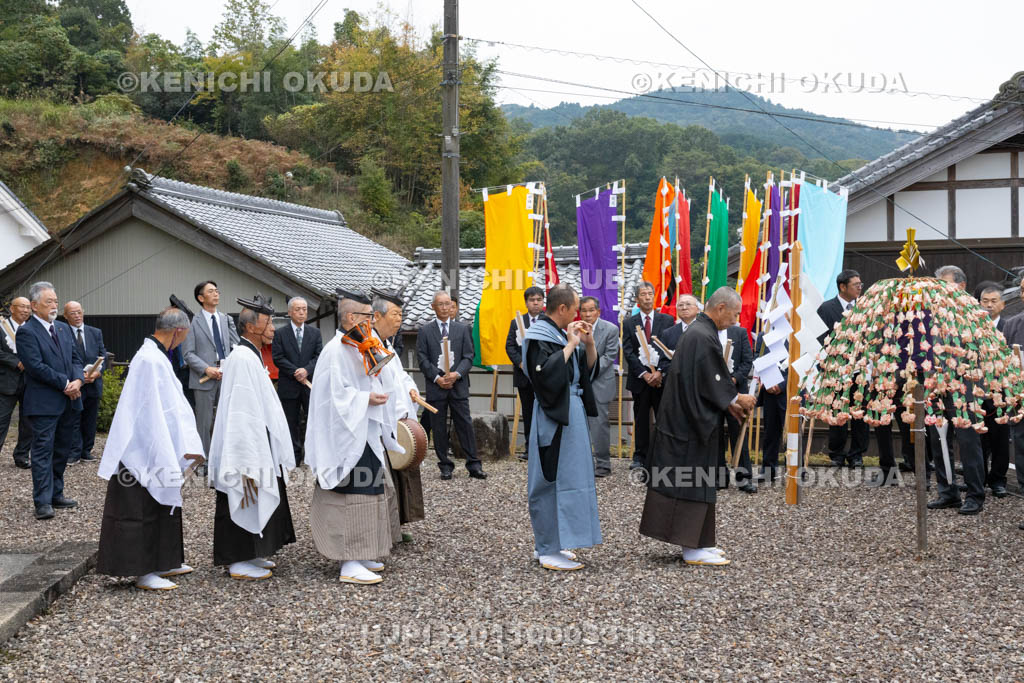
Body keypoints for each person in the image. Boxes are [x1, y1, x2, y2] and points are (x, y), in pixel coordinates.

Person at [639, 287, 756, 566]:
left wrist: (728, 400)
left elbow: (709, 379)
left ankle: (702, 541)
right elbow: (712, 380)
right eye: (735, 313)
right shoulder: (702, 336)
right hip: (687, 424)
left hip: (690, 418)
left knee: (701, 480)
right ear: (720, 309)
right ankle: (691, 548)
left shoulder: (700, 333)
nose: (737, 319)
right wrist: (735, 397)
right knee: (690, 481)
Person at [96, 307, 205, 591]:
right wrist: (165, 446)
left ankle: (164, 561)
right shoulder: (149, 359)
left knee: (163, 504)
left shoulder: (155, 356)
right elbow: (150, 412)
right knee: (140, 508)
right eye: (185, 335)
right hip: (141, 448)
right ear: (178, 331)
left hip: (156, 443)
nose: (184, 341)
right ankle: (142, 571)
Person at [305, 289, 403, 585]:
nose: (372, 321)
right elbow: (334, 398)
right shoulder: (335, 350)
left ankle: (362, 552)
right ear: (350, 317)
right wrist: (365, 399)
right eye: (367, 316)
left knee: (370, 490)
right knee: (351, 495)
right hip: (344, 433)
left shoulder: (360, 345)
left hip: (364, 429)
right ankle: (348, 561)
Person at [207, 293, 296, 580]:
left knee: (258, 494)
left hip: (258, 439)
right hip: (244, 443)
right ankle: (237, 559)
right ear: (250, 327)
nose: (272, 328)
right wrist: (245, 454)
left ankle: (254, 551)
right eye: (268, 323)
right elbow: (241, 412)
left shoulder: (250, 355)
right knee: (244, 491)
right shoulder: (243, 358)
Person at [523, 284, 602, 570]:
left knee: (570, 478)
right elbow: (543, 377)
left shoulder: (560, 334)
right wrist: (570, 345)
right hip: (553, 414)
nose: (580, 313)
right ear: (562, 309)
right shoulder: (538, 337)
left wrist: (588, 343)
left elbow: (585, 373)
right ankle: (546, 548)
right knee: (549, 478)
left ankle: (557, 542)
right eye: (576, 308)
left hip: (573, 409)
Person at [16, 282, 84, 520]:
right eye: (49, 302)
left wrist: (78, 380)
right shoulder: (26, 331)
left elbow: (77, 358)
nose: (54, 305)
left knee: (62, 449)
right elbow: (35, 367)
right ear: (34, 306)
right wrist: (65, 384)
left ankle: (57, 493)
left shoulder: (64, 329)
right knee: (43, 451)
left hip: (69, 400)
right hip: (45, 402)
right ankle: (42, 501)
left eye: (56, 301)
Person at [928, 265, 986, 515]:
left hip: (966, 384)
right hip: (936, 382)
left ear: (961, 286)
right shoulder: (933, 313)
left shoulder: (976, 314)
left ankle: (975, 494)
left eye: (945, 285)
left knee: (968, 440)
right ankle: (947, 491)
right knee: (938, 439)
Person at [372, 288, 426, 539]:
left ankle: (398, 525)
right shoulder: (371, 345)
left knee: (403, 473)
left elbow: (401, 376)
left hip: (400, 418)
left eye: (400, 314)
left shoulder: (387, 345)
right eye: (394, 314)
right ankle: (388, 528)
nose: (399, 319)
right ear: (377, 316)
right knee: (390, 475)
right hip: (385, 421)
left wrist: (412, 390)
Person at [415, 290, 486, 480]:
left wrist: (457, 374)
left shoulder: (462, 329)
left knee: (465, 424)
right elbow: (421, 358)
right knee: (438, 426)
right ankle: (445, 465)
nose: (445, 307)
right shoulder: (424, 331)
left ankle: (474, 464)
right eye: (441, 304)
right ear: (433, 307)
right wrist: (437, 378)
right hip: (436, 386)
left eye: (448, 304)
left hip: (458, 384)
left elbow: (468, 356)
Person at [180, 280, 239, 455]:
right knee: (204, 422)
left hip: (226, 375)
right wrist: (206, 369)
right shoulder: (192, 322)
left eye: (217, 291)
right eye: (211, 291)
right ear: (201, 297)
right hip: (204, 378)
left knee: (227, 419)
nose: (216, 294)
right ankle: (203, 460)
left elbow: (235, 345)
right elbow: (188, 354)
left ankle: (225, 458)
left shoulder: (225, 319)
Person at [817, 269, 867, 468]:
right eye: (856, 285)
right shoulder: (827, 308)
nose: (859, 288)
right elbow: (821, 339)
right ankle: (836, 452)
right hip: (835, 369)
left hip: (860, 369)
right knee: (837, 411)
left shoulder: (863, 307)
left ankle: (857, 453)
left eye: (860, 285)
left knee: (858, 412)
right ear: (842, 287)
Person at [622, 282, 674, 470]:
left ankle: (662, 456)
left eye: (650, 294)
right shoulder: (629, 323)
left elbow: (669, 350)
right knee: (641, 418)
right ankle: (640, 456)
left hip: (661, 380)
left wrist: (660, 372)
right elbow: (628, 352)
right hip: (640, 381)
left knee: (664, 417)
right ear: (637, 299)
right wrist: (644, 374)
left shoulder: (667, 321)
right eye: (643, 294)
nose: (647, 297)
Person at [271, 296, 322, 466]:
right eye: (298, 309)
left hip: (309, 385)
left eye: (304, 309)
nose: (302, 312)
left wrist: (307, 370)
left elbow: (319, 356)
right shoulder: (280, 333)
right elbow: (277, 357)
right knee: (290, 422)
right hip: (289, 384)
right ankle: (293, 457)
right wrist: (295, 372)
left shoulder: (315, 333)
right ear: (290, 312)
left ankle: (313, 456)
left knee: (313, 421)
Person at [579, 296, 619, 477]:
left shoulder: (611, 329)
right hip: (578, 384)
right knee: (579, 425)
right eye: (584, 311)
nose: (588, 315)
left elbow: (609, 356)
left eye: (591, 310)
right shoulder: (574, 329)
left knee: (599, 425)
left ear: (598, 312)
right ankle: (582, 463)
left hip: (600, 382)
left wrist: (589, 372)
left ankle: (603, 463)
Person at [63, 301, 106, 465]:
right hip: (75, 383)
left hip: (93, 383)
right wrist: (78, 377)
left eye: (79, 312)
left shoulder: (95, 332)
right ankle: (74, 452)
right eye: (72, 313)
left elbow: (103, 355)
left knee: (90, 418)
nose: (77, 315)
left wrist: (97, 373)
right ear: (66, 316)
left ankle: (86, 450)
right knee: (74, 418)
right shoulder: (62, 333)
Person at [977, 282, 1009, 497]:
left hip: (1001, 390)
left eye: (993, 301)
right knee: (978, 438)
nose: (989, 306)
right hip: (977, 389)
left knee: (999, 438)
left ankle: (998, 479)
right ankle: (978, 477)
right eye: (984, 301)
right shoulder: (971, 326)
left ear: (1002, 304)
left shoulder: (1009, 326)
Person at [506, 286, 545, 461]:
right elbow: (510, 346)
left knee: (544, 412)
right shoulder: (517, 321)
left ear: (543, 302)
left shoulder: (548, 320)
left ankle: (545, 448)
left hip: (544, 376)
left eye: (538, 299)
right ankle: (530, 449)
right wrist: (521, 363)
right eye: (532, 300)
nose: (535, 303)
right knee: (528, 413)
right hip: (524, 376)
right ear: (526, 302)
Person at [719, 320, 755, 492]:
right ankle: (719, 476)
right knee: (715, 434)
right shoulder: (709, 332)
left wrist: (734, 378)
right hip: (715, 392)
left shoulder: (740, 333)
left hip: (736, 391)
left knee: (738, 432)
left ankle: (744, 477)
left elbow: (747, 361)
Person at [1, 296, 33, 468]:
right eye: (22, 307)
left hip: (30, 382)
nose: (26, 310)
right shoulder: (1, 326)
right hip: (6, 381)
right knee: (1, 420)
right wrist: (15, 362)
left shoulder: (33, 328)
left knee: (28, 422)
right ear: (12, 308)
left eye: (28, 307)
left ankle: (21, 456)